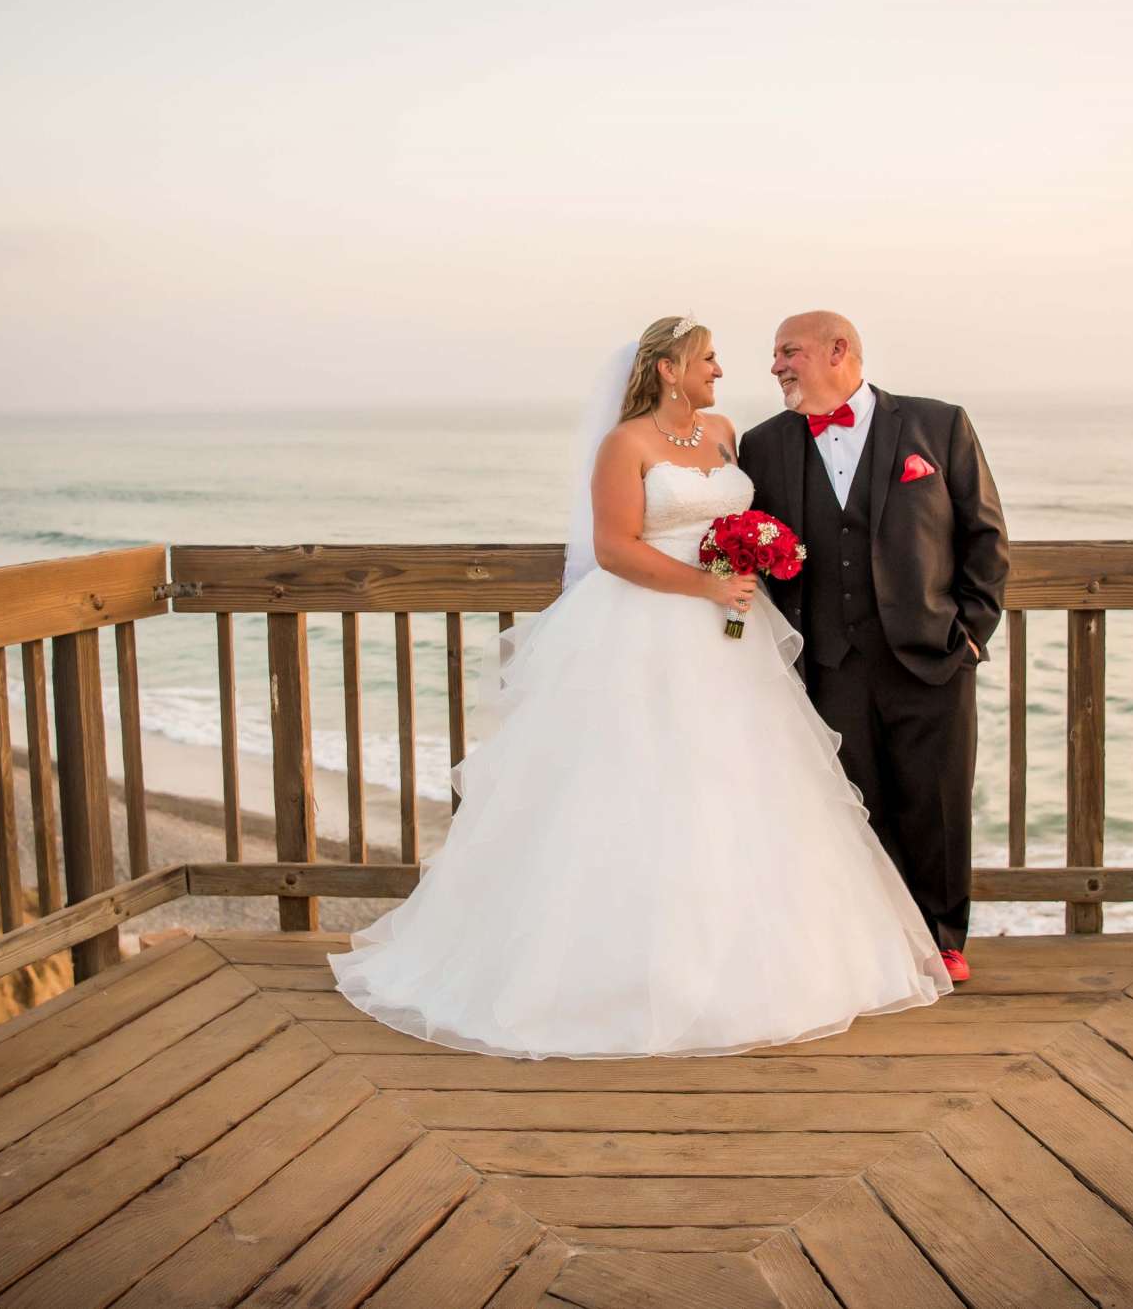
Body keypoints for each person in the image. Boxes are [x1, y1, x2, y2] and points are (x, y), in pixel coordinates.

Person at [329, 315, 950, 1058]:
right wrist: (704, 585)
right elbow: (615, 549)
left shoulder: (726, 434)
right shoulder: (623, 446)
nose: (722, 371)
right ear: (667, 369)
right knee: (637, 786)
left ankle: (751, 965)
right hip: (645, 629)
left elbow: (756, 514)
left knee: (742, 787)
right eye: (709, 360)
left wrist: (758, 556)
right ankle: (619, 974)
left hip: (731, 639)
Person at [738, 312, 1009, 980]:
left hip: (931, 653)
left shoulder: (938, 426)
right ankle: (877, 943)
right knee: (853, 803)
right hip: (829, 661)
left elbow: (985, 536)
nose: (776, 366)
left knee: (937, 800)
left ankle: (944, 937)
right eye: (774, 355)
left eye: (788, 352)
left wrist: (970, 633)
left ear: (839, 351)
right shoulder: (762, 444)